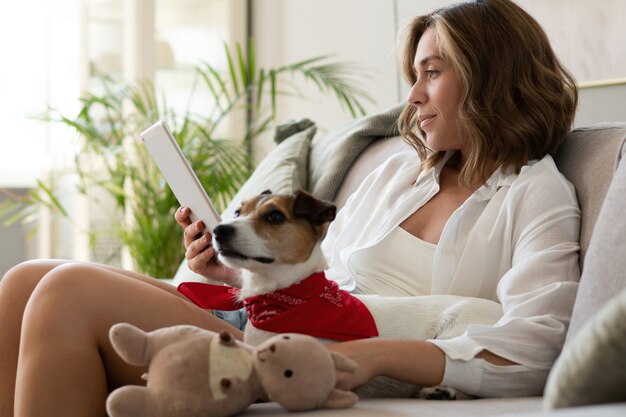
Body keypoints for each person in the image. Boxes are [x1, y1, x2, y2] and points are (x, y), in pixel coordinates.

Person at [0, 0, 579, 415]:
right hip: (284, 326)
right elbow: (311, 279)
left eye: (432, 73)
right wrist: (230, 267)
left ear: (488, 79)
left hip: (314, 361)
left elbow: (536, 344)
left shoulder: (535, 192)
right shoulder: (400, 175)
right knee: (24, 279)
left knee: (67, 291)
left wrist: (376, 355)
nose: (413, 96)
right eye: (414, 76)